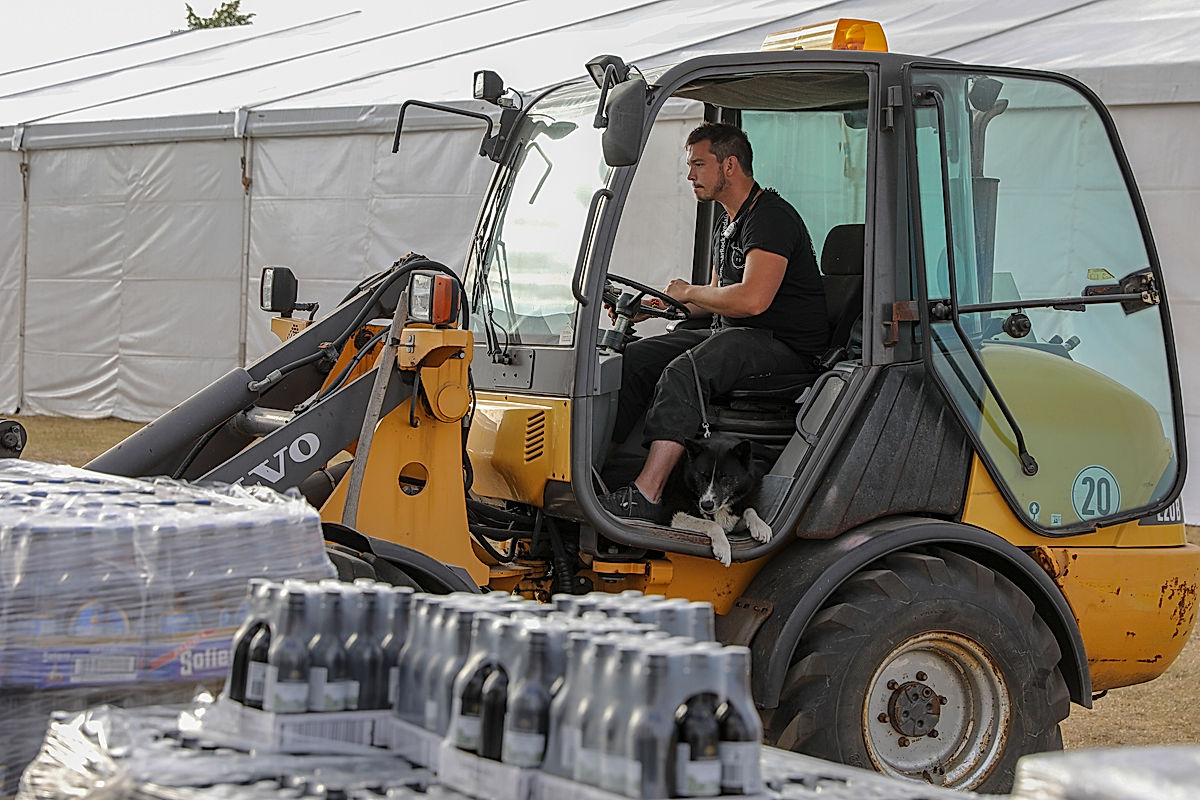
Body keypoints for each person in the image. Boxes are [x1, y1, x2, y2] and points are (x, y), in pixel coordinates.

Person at [598, 122, 828, 523]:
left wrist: (689, 291)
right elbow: (716, 298)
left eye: (699, 164)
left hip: (783, 345)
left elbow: (753, 300)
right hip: (737, 332)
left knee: (684, 371)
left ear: (730, 165)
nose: (690, 175)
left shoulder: (770, 218)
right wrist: (654, 305)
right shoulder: (730, 223)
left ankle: (647, 494)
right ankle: (604, 474)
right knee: (635, 360)